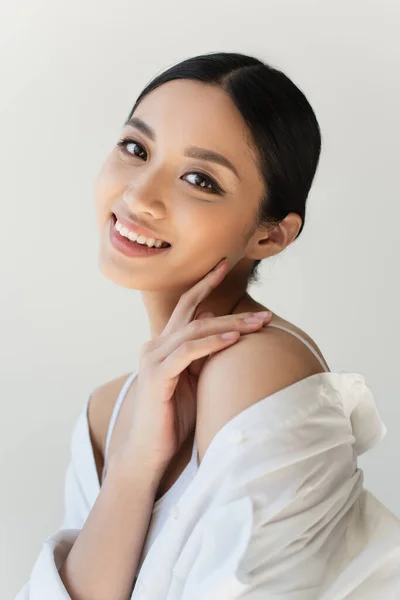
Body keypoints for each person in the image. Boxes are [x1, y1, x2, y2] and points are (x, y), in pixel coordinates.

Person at [16, 51, 400, 599]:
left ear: (269, 236)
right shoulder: (107, 413)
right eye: (135, 148)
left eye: (200, 179)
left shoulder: (255, 368)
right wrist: (132, 468)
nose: (139, 196)